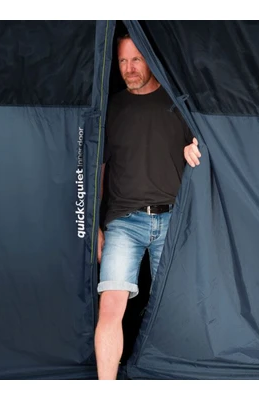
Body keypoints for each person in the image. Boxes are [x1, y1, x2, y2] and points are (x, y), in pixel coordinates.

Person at [94, 33, 202, 380]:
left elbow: (204, 143)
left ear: (151, 61)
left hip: (172, 219)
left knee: (174, 311)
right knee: (110, 305)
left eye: (136, 60)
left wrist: (195, 147)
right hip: (123, 222)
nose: (129, 69)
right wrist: (96, 226)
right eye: (123, 61)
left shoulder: (177, 104)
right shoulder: (112, 109)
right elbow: (99, 171)